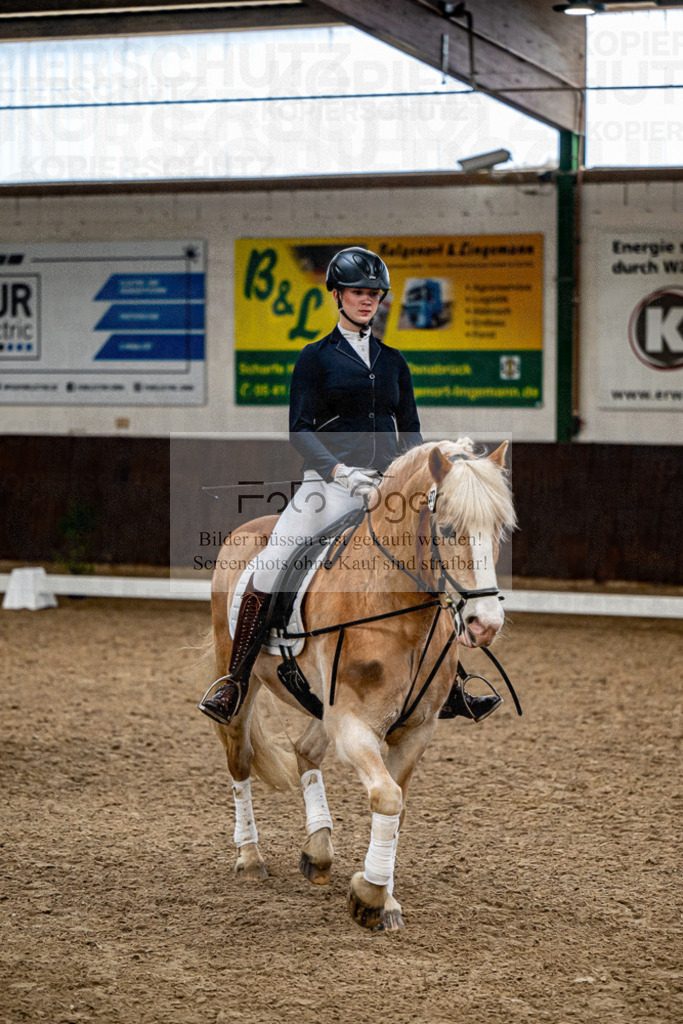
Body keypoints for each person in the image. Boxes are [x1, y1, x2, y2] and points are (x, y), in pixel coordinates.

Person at [199, 246, 500, 726]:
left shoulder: (394, 361)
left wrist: (412, 480)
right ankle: (235, 680)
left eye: (374, 295)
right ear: (338, 295)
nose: (368, 302)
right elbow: (300, 430)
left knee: (429, 570)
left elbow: (414, 435)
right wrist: (341, 473)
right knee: (275, 560)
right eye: (359, 293)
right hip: (330, 485)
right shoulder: (315, 358)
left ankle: (453, 681)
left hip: (389, 490)